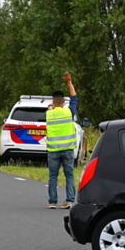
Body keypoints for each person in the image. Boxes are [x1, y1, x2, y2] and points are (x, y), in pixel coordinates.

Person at [46, 72, 78, 209]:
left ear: (53, 101)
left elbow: (51, 109)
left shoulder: (48, 114)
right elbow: (75, 97)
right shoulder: (69, 112)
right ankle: (69, 201)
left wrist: (51, 108)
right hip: (68, 150)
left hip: (53, 151)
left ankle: (52, 202)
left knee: (53, 176)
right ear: (63, 102)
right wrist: (69, 82)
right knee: (69, 175)